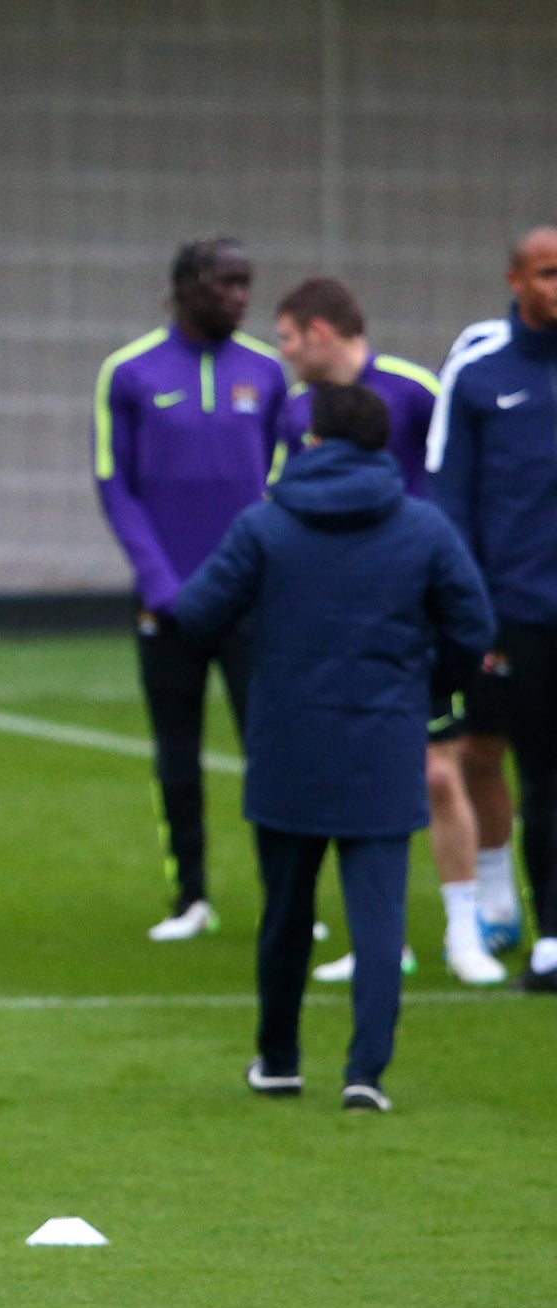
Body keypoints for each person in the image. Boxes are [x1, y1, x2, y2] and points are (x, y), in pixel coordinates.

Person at [176, 384, 493, 1111]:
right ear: (382, 446)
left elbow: (196, 615)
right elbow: (472, 627)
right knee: (378, 915)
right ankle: (365, 1074)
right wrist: (423, 681)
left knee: (286, 913)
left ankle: (279, 1060)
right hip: (383, 740)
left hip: (288, 740)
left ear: (312, 441)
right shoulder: (423, 526)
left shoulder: (265, 525)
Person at [271, 277, 505, 987]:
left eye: (284, 338)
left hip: (416, 613)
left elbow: (457, 479)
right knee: (355, 779)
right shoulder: (293, 413)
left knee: (439, 772)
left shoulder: (413, 391)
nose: (280, 353)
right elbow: (281, 499)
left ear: (318, 331)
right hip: (340, 621)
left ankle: (467, 931)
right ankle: (382, 937)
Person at [93, 237, 287, 941]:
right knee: (176, 751)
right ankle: (191, 897)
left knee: (268, 745)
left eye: (246, 283)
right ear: (185, 287)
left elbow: (284, 483)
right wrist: (159, 582)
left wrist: (259, 575)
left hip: (252, 600)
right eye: (226, 283)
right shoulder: (129, 372)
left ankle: (283, 891)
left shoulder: (268, 372)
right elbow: (115, 483)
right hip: (166, 601)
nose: (240, 297)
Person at [428, 226, 557, 990]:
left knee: (550, 775)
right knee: (485, 752)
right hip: (511, 610)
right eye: (548, 273)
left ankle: (546, 932)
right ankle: (501, 896)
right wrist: (467, 609)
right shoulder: (479, 370)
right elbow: (449, 497)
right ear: (515, 280)